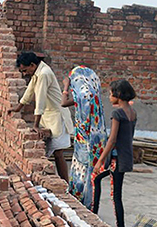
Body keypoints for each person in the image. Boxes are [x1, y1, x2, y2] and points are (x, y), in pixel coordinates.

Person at [8, 52, 74, 181]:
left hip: (57, 117)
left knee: (58, 153)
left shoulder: (44, 73)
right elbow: (29, 91)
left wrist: (35, 125)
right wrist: (17, 108)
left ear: (32, 65)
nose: (24, 74)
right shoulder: (37, 72)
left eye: (25, 70)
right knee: (51, 153)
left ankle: (65, 185)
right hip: (49, 117)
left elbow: (40, 100)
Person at [91, 79, 137, 227]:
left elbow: (112, 139)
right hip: (125, 158)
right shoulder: (132, 112)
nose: (109, 97)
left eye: (111, 94)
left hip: (116, 161)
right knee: (101, 183)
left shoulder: (117, 113)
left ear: (118, 95)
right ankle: (95, 216)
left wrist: (100, 161)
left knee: (114, 195)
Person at [61, 66, 107, 209]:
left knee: (82, 171)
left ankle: (83, 203)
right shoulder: (93, 95)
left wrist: (65, 87)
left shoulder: (83, 96)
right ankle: (90, 203)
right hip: (95, 142)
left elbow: (63, 103)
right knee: (91, 174)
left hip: (85, 141)